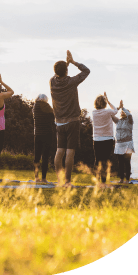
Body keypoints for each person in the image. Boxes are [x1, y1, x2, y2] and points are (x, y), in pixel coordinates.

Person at [50, 50, 90, 187]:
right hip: (72, 121)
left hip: (59, 123)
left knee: (59, 151)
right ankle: (67, 182)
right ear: (66, 71)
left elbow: (57, 74)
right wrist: (73, 62)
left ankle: (59, 181)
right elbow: (86, 71)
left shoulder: (52, 82)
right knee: (69, 153)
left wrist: (65, 65)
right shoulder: (71, 82)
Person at [92, 92, 117, 185]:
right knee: (106, 160)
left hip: (97, 139)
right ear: (105, 103)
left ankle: (97, 179)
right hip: (108, 139)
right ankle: (104, 180)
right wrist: (109, 101)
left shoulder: (94, 112)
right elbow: (115, 110)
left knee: (97, 160)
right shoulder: (108, 112)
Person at [33, 94, 55, 183]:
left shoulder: (34, 107)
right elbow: (54, 117)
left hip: (37, 134)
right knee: (45, 157)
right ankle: (44, 178)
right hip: (47, 134)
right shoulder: (47, 106)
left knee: (37, 156)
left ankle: (36, 177)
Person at [112, 100, 135, 184]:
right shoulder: (118, 121)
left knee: (127, 163)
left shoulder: (130, 121)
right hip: (119, 145)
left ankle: (127, 180)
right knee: (120, 163)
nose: (122, 112)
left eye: (123, 112)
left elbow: (130, 115)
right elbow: (111, 114)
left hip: (128, 144)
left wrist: (123, 107)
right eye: (121, 112)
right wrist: (118, 108)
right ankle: (121, 179)